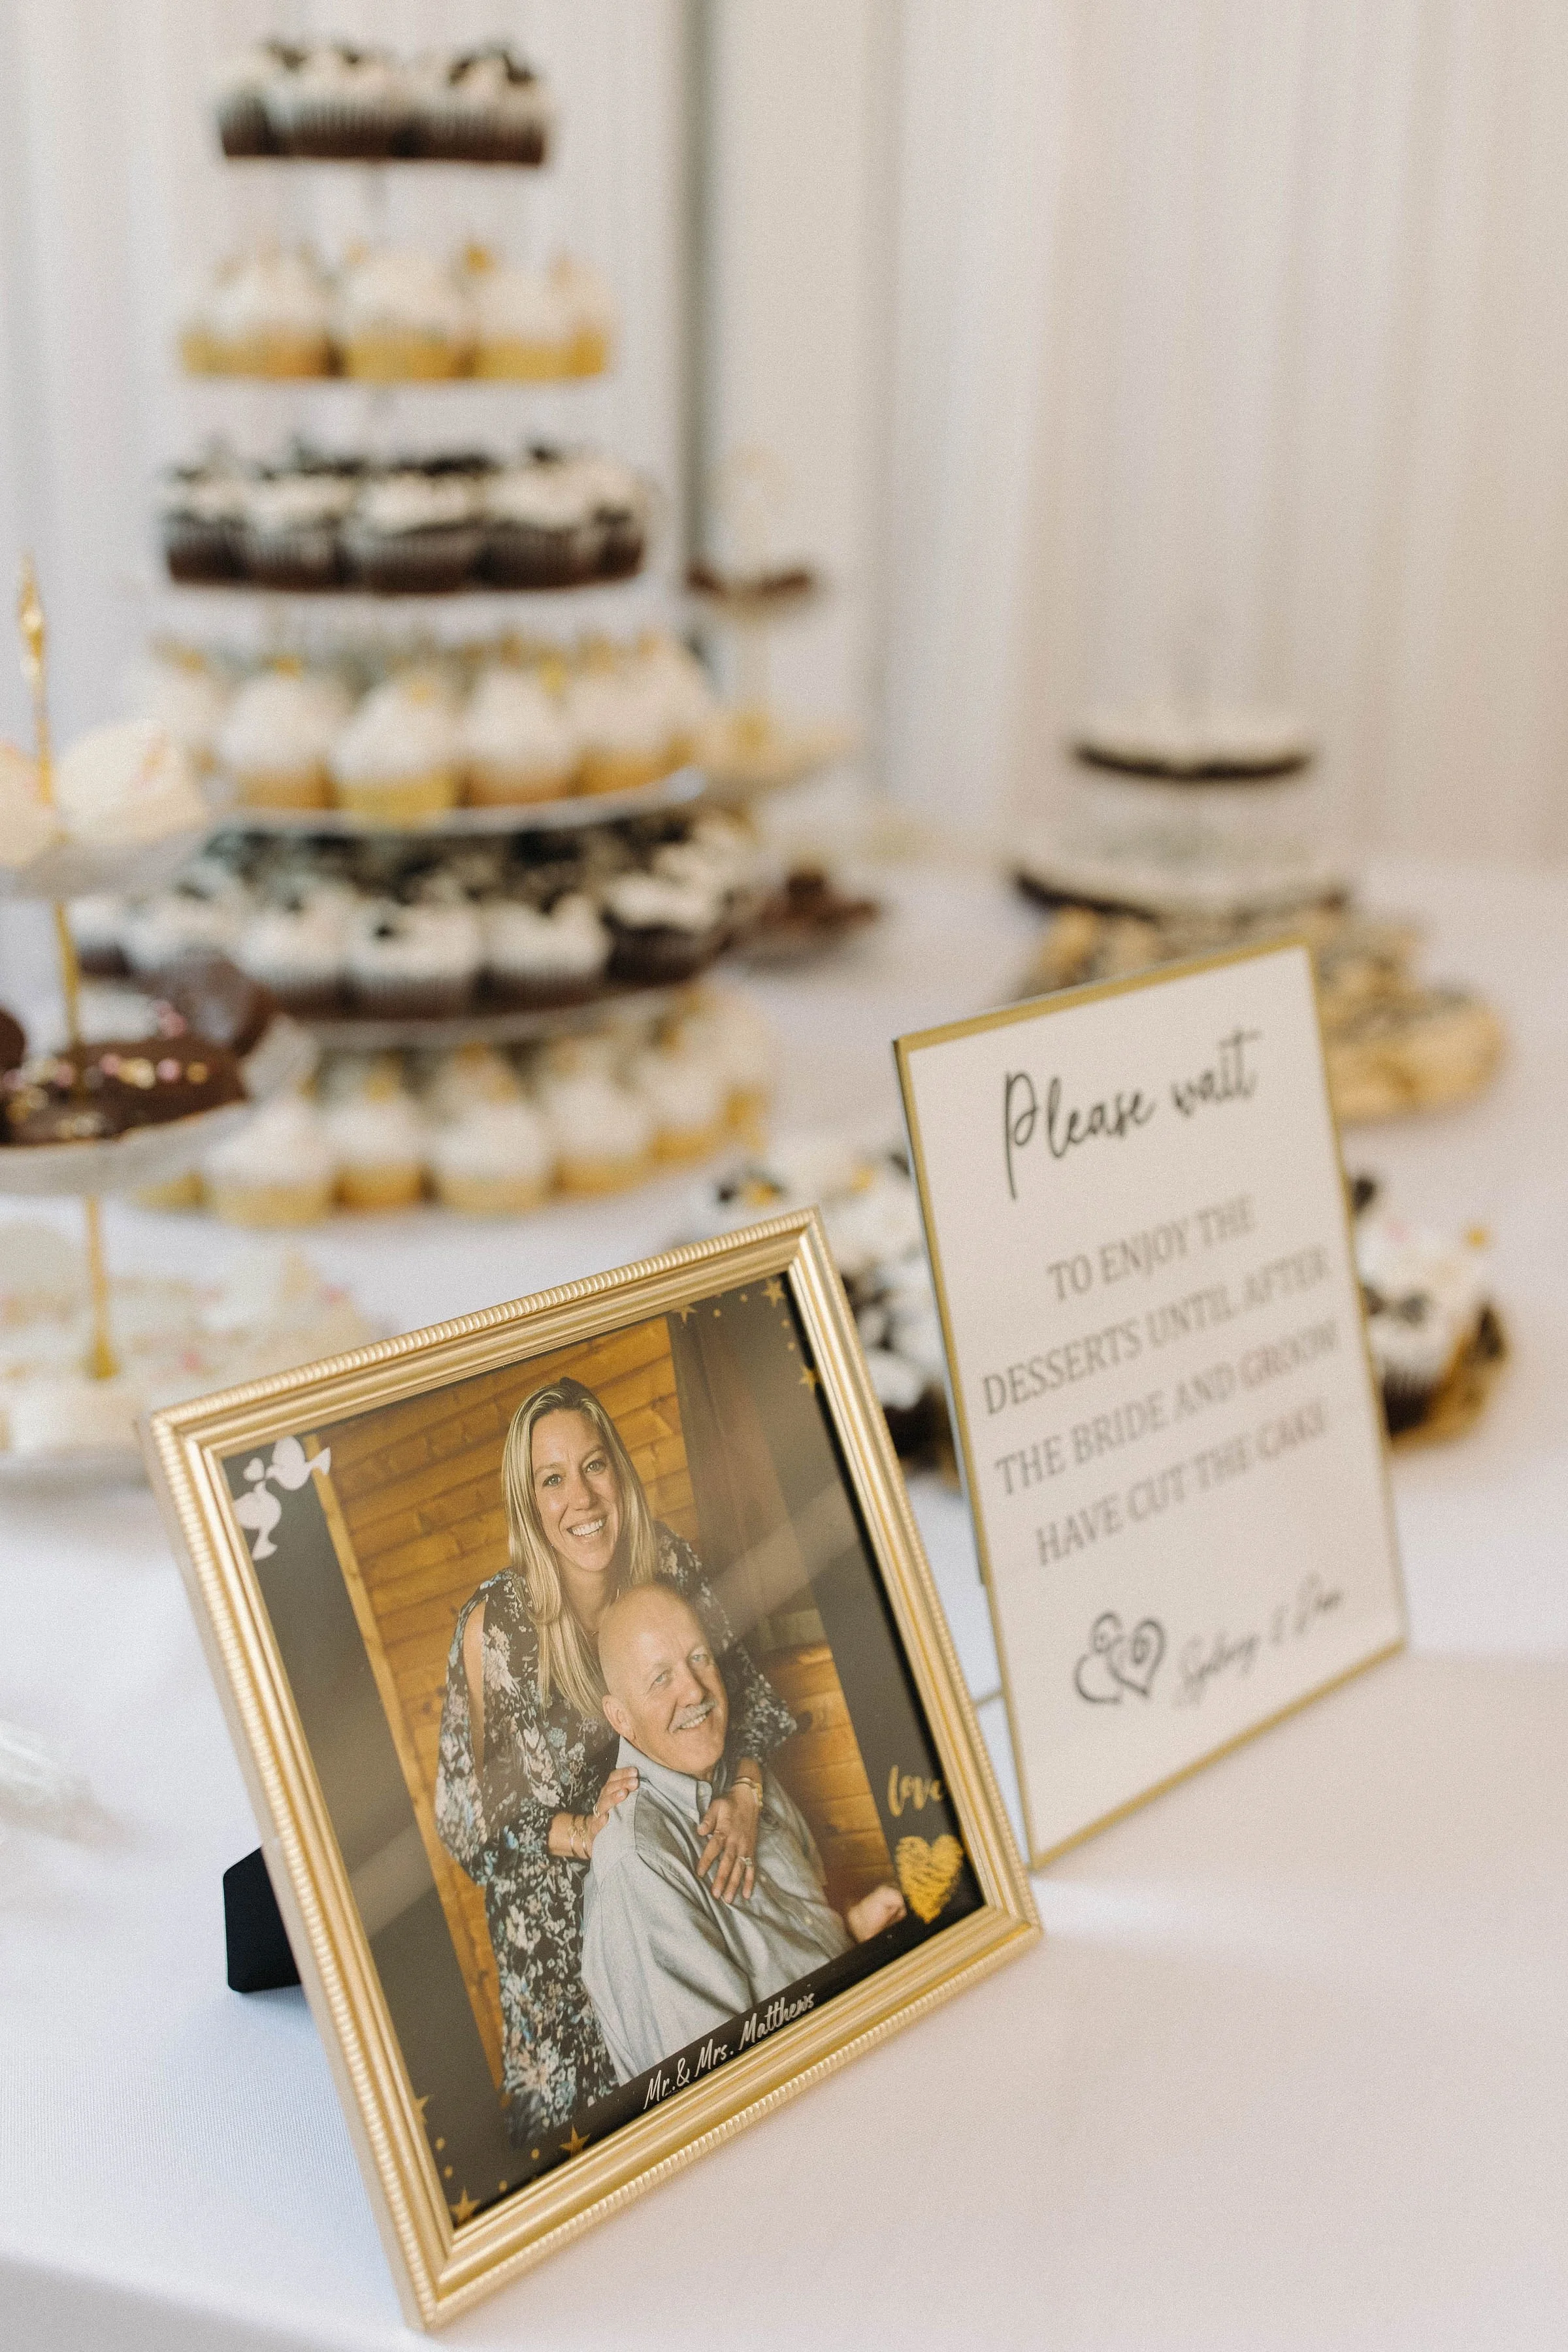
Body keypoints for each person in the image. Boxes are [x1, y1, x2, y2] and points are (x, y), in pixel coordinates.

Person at [434, 1375, 796, 2140]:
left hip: (675, 1910)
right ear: (528, 1503)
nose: (582, 1498)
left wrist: (745, 1794)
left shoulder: (670, 1563)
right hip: (557, 1959)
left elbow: (746, 1704)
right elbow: (463, 1819)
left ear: (619, 1470)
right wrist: (573, 1831)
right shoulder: (492, 1627)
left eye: (594, 1466)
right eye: (553, 1479)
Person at [581, 1582, 907, 2083]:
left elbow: (784, 1951)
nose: (695, 1691)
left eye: (699, 1659)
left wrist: (852, 1936)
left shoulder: (744, 1783)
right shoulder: (638, 1862)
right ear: (620, 1717)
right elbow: (727, 2086)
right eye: (661, 1678)